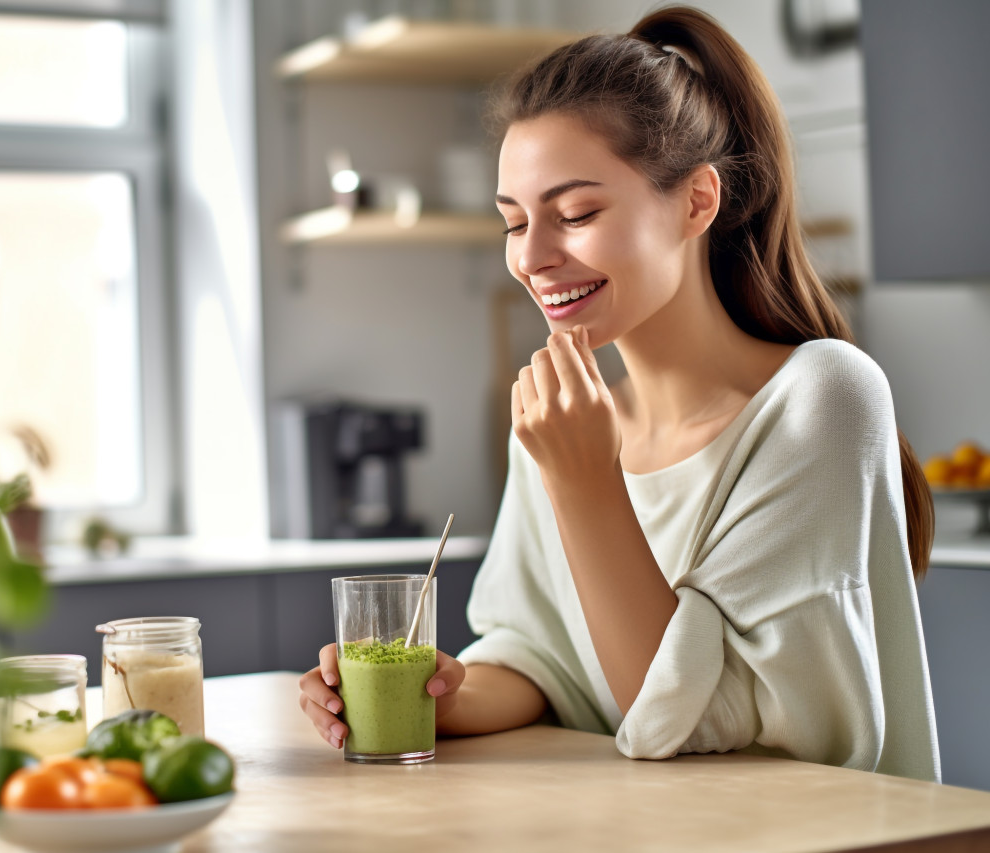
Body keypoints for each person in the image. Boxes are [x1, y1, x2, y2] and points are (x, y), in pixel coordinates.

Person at [298, 6, 941, 781]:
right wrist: (439, 693)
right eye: (512, 222)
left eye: (576, 213)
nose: (532, 257)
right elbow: (543, 656)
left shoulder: (823, 397)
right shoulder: (565, 423)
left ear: (697, 202)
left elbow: (701, 727)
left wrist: (587, 483)